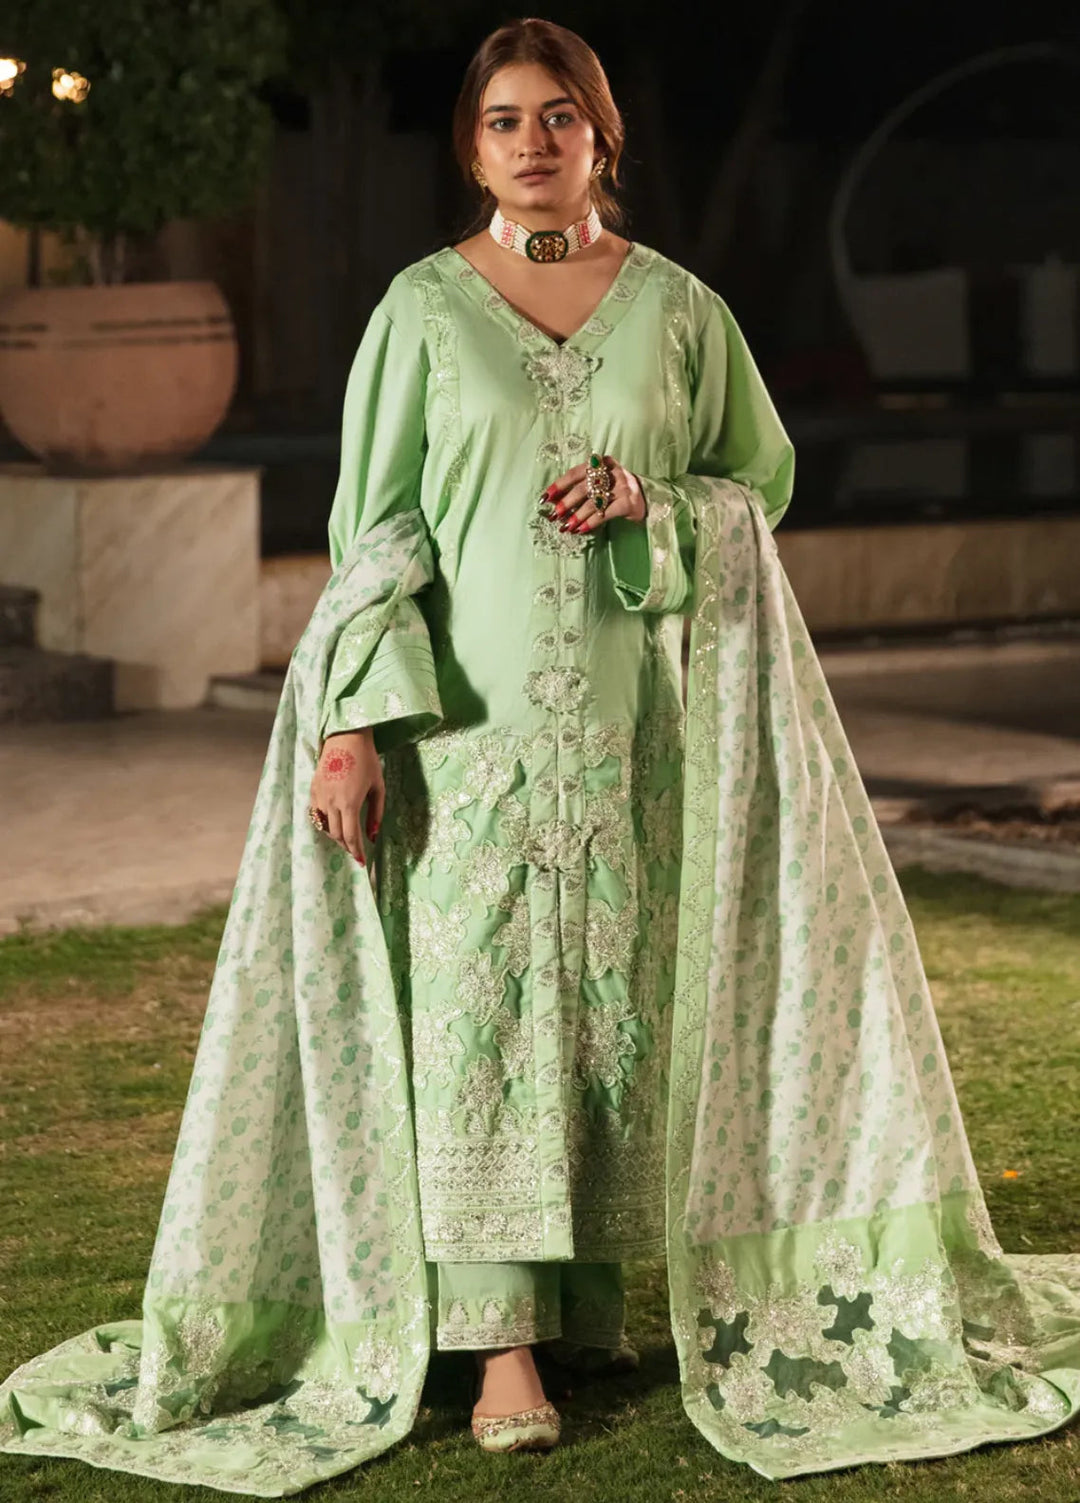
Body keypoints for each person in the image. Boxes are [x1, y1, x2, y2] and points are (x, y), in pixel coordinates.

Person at [2, 17, 1079, 1497]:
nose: (531, 141)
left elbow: (758, 484)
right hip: (467, 736)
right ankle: (499, 1344)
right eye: (504, 119)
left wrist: (653, 502)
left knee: (601, 1016)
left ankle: (584, 1307)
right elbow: (378, 535)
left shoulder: (680, 311)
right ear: (472, 144)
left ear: (600, 135)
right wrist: (353, 724)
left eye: (558, 115)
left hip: (635, 736)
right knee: (482, 1024)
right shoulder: (424, 310)